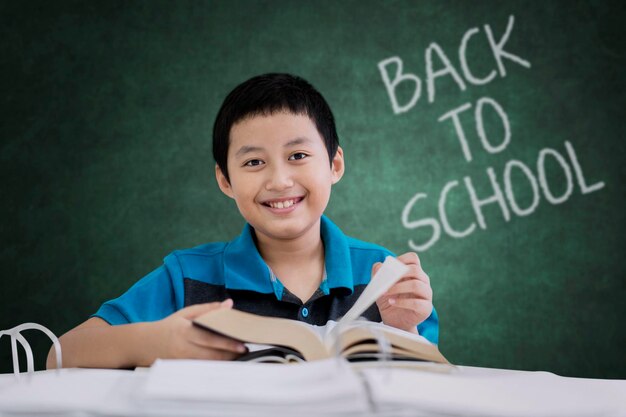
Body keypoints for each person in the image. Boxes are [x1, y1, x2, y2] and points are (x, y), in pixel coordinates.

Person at [47, 73, 438, 369]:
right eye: (253, 162)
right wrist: (155, 340)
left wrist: (404, 330)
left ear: (335, 164)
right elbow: (61, 354)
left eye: (298, 155)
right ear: (225, 180)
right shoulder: (187, 276)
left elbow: (436, 390)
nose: (279, 180)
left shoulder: (382, 278)